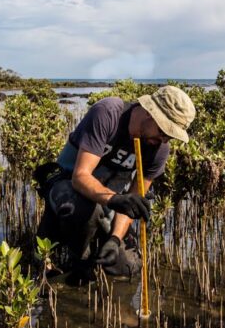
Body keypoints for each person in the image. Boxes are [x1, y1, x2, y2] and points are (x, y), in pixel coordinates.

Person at [35, 85, 196, 279]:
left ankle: (98, 241)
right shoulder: (108, 113)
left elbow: (134, 198)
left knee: (127, 267)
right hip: (67, 185)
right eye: (163, 131)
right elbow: (80, 177)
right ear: (149, 113)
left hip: (109, 200)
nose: (164, 140)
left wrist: (114, 239)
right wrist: (115, 200)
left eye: (170, 136)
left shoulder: (159, 150)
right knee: (85, 210)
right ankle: (71, 253)